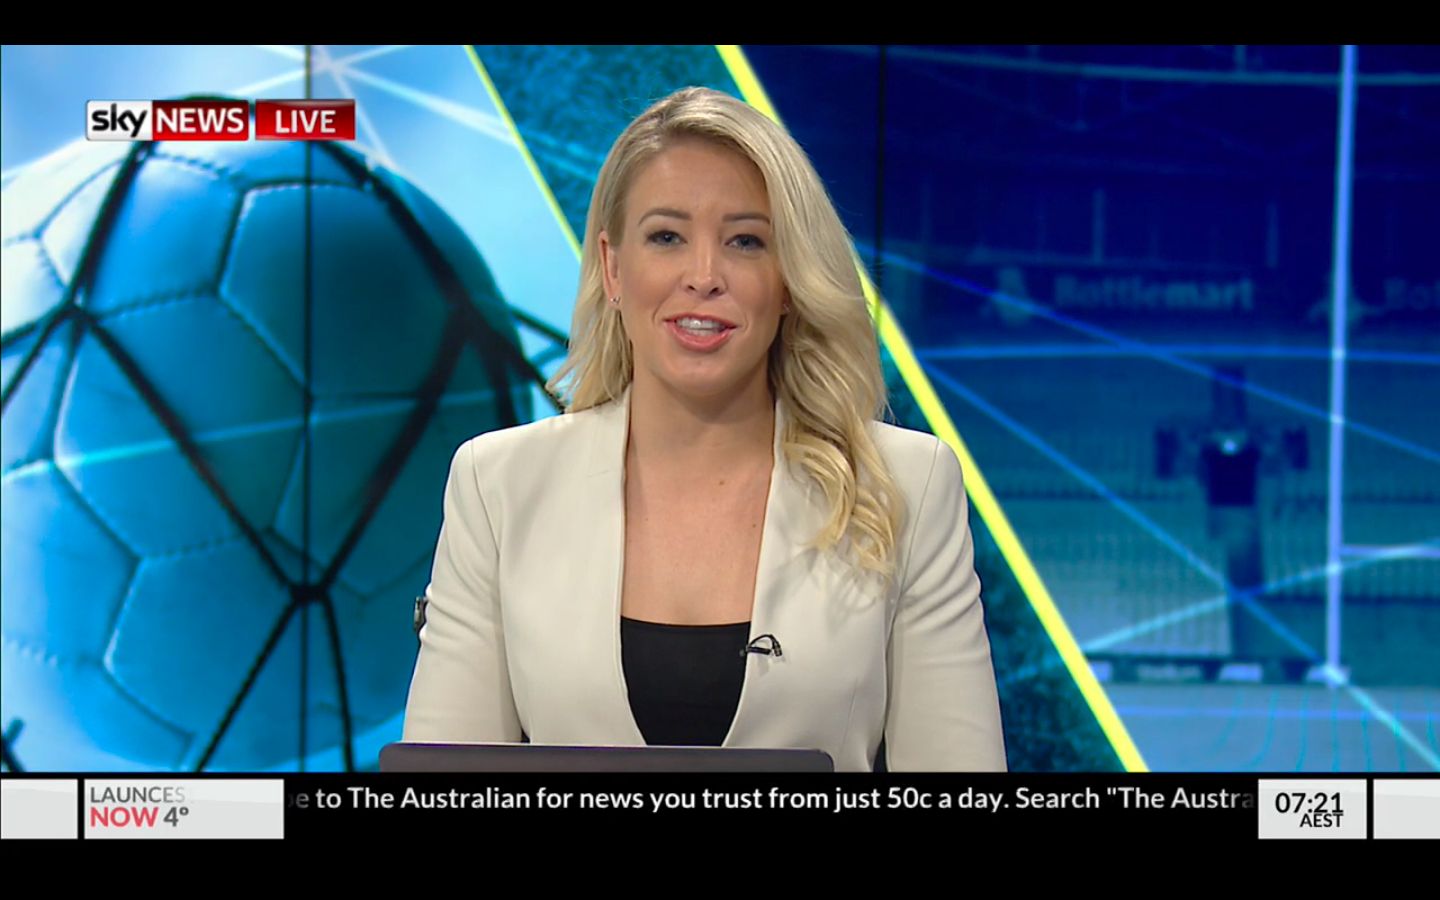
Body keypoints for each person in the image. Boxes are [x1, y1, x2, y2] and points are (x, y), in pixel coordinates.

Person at [402, 86, 1006, 772]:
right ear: (614, 267)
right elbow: (441, 783)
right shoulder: (499, 485)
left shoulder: (906, 486)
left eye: (746, 242)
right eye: (667, 237)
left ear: (788, 280)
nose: (704, 276)